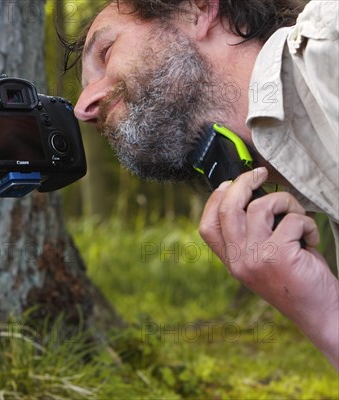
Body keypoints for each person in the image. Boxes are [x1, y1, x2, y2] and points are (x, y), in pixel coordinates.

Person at [69, 0, 338, 368]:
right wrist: (323, 313)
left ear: (198, 11)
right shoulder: (318, 186)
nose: (83, 108)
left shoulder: (330, 43)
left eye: (106, 50)